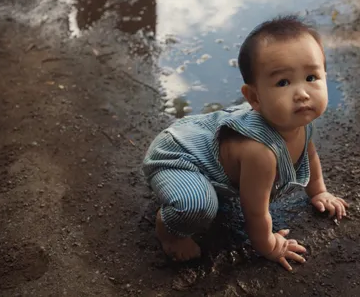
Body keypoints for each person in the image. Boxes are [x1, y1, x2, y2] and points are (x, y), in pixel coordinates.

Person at [142, 15, 349, 271]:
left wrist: (318, 191)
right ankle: (170, 230)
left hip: (204, 146)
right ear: (254, 97)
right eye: (283, 82)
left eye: (311, 77)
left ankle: (206, 190)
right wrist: (270, 245)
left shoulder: (298, 121)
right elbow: (254, 211)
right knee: (198, 205)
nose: (303, 93)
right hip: (178, 157)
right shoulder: (260, 151)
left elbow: (309, 153)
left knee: (214, 200)